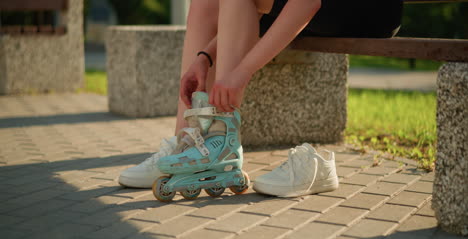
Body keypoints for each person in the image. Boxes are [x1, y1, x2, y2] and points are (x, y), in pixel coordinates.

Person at [119, 0, 403, 197]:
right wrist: (205, 57)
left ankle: (221, 137)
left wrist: (241, 73)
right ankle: (188, 140)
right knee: (205, 3)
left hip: (368, 8)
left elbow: (306, 4)